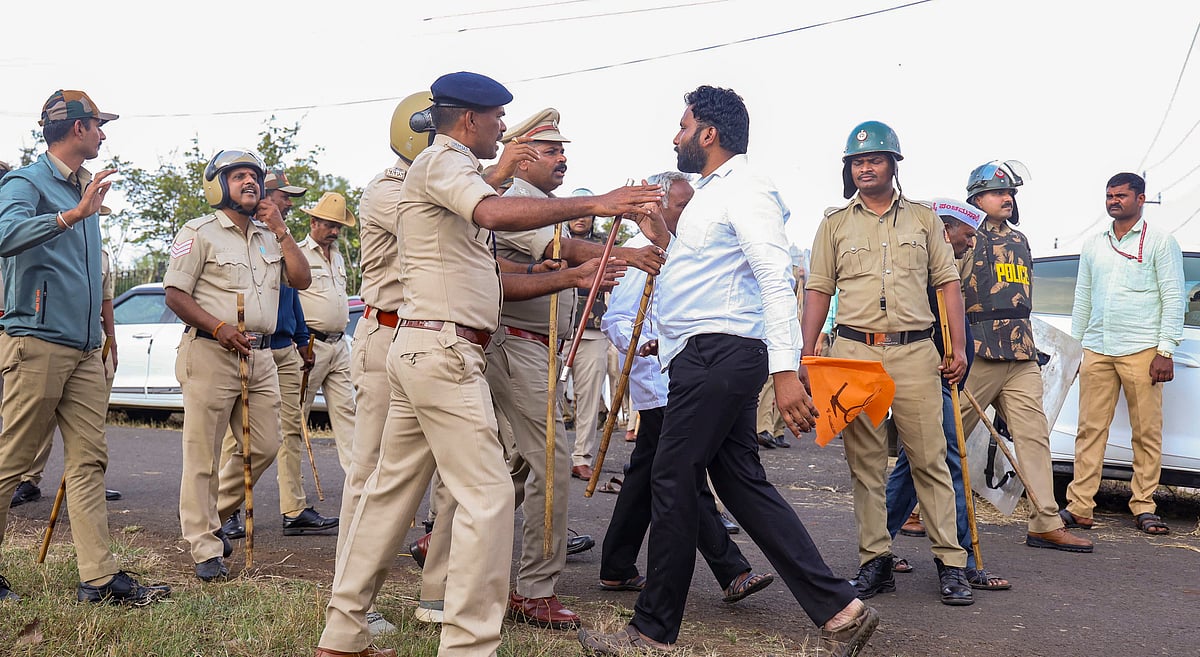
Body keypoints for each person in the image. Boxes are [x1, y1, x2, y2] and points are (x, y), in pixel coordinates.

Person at [315, 71, 660, 657]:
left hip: (428, 347)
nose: (504, 129)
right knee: (489, 495)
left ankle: (343, 633)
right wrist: (600, 203)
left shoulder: (456, 172)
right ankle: (469, 644)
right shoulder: (441, 162)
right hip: (443, 350)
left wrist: (595, 256)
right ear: (469, 119)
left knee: (390, 494)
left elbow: (499, 240)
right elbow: (496, 215)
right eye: (498, 118)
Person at [580, 86, 877, 657]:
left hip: (720, 355)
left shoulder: (745, 188)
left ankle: (650, 633)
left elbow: (772, 279)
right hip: (707, 354)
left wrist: (787, 372)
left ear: (708, 134)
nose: (676, 136)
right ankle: (840, 610)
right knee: (740, 482)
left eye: (683, 125)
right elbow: (704, 274)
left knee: (671, 481)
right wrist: (660, 238)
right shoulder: (711, 197)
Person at [484, 108, 655, 630]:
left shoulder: (536, 201)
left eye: (564, 149)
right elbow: (564, 248)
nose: (563, 158)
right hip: (516, 343)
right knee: (552, 460)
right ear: (525, 154)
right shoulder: (521, 199)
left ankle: (443, 542)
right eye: (553, 150)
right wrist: (626, 249)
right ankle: (535, 589)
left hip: (532, 343)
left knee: (517, 464)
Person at [0, 89, 169, 604]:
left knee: (89, 461)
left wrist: (104, 337)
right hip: (36, 342)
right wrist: (71, 215)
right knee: (11, 459)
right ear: (77, 128)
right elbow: (4, 234)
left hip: (84, 349)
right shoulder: (25, 182)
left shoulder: (86, 188)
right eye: (98, 124)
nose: (103, 133)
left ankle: (98, 578)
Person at [800, 120, 974, 607]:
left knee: (930, 461)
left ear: (893, 164)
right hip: (853, 354)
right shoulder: (834, 224)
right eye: (857, 161)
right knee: (866, 465)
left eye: (874, 159)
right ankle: (874, 561)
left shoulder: (922, 220)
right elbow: (818, 289)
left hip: (918, 352)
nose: (865, 167)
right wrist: (807, 353)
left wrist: (956, 347)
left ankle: (951, 564)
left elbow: (947, 285)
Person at [597, 169, 774, 604]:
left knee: (651, 474)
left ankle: (616, 565)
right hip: (660, 384)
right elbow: (616, 321)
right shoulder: (643, 257)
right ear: (655, 209)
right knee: (683, 478)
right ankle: (730, 569)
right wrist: (644, 345)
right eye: (681, 205)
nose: (690, 213)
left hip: (694, 378)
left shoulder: (695, 252)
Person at [165, 148, 312, 582]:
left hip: (261, 355)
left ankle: (209, 515)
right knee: (202, 456)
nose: (249, 182)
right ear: (218, 185)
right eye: (238, 176)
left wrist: (282, 229)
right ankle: (205, 545)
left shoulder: (271, 236)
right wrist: (219, 327)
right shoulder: (199, 232)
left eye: (254, 176)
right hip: (212, 351)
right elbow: (175, 294)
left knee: (265, 446)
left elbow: (301, 280)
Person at [957, 160, 1093, 553]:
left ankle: (1045, 522)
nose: (1008, 198)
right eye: (999, 192)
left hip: (1020, 351)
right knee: (945, 435)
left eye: (1011, 193)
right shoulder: (964, 238)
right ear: (976, 198)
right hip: (978, 351)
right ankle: (912, 509)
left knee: (1034, 438)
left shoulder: (1020, 240)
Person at [884, 198, 1011, 590]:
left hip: (944, 375)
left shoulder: (947, 266)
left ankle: (876, 550)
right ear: (946, 231)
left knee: (912, 466)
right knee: (949, 459)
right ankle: (963, 561)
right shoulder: (923, 269)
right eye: (967, 234)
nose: (971, 243)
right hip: (927, 375)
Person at [220, 171, 338, 541]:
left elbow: (295, 293)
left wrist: (303, 338)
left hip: (286, 346)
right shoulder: (242, 236)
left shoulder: (278, 236)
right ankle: (226, 510)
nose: (289, 202)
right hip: (252, 347)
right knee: (239, 435)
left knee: (289, 430)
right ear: (265, 194)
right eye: (284, 196)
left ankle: (294, 509)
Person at [1065, 172, 1184, 535]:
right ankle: (1080, 506)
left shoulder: (1161, 242)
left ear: (1141, 199)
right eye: (1109, 195)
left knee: (1146, 432)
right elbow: (1083, 297)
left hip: (1143, 349)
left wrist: (1165, 349)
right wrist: (1076, 347)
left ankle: (1144, 506)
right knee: (1089, 430)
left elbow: (1174, 297)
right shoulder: (1094, 244)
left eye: (1121, 195)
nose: (1113, 201)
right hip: (1098, 347)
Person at [12, 243, 123, 507]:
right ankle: (27, 480)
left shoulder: (102, 255)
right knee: (39, 420)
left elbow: (105, 299)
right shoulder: (47, 243)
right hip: (52, 336)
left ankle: (88, 483)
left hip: (90, 341)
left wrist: (112, 340)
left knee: (91, 424)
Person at [297, 191, 358, 475]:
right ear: (313, 223)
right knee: (298, 416)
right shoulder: (298, 253)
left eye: (338, 226)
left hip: (338, 345)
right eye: (329, 225)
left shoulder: (339, 258)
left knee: (349, 414)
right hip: (310, 345)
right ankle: (293, 493)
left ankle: (358, 486)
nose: (334, 231)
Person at [564, 202, 611, 481]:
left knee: (590, 398)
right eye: (576, 213)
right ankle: (544, 455)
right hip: (557, 331)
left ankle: (581, 458)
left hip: (593, 330)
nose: (581, 219)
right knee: (547, 398)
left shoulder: (605, 245)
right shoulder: (553, 242)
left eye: (587, 215)